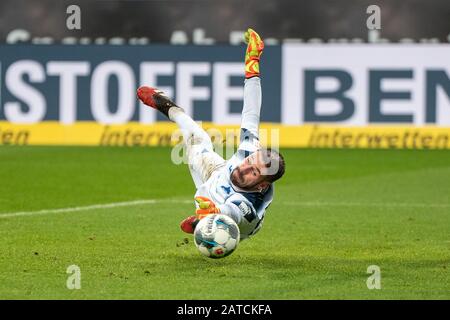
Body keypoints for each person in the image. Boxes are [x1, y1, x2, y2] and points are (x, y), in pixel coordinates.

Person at [137, 28, 285, 240]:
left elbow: (233, 211)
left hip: (230, 213)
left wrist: (216, 213)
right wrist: (253, 64)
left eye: (253, 171)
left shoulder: (248, 206)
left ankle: (205, 219)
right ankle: (170, 108)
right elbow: (251, 112)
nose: (245, 167)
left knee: (218, 220)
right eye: (250, 161)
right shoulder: (249, 151)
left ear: (262, 185)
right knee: (199, 141)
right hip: (219, 172)